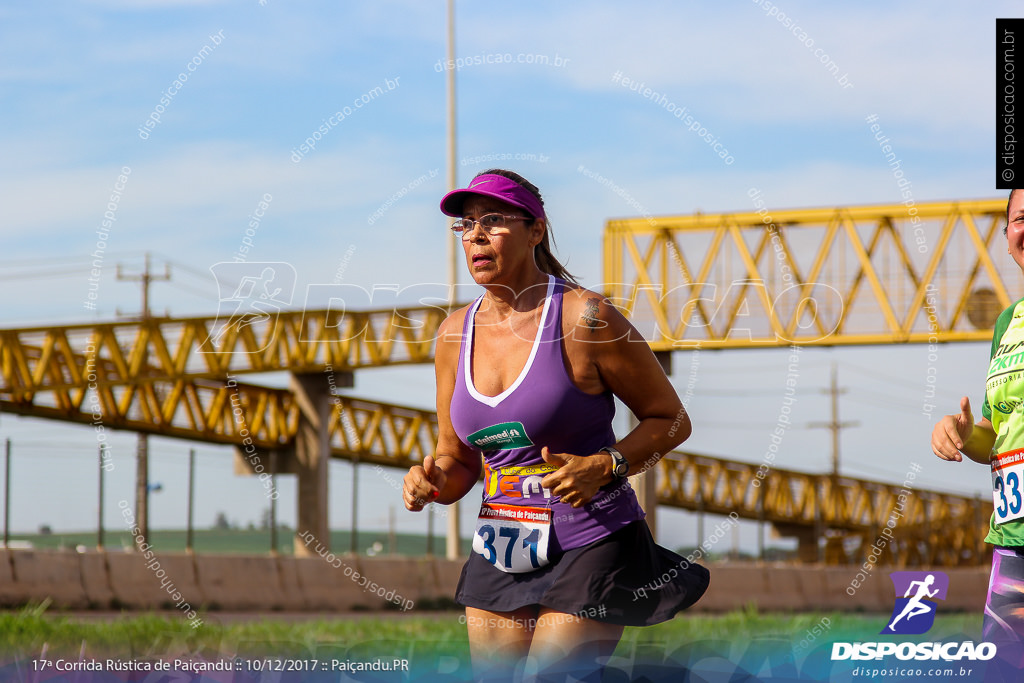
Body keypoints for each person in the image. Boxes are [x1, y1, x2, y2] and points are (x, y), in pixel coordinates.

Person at [402, 169, 710, 681]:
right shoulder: (453, 334)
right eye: (466, 225)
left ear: (536, 230)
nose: (476, 234)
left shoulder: (585, 317)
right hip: (504, 538)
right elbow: (457, 460)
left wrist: (605, 465)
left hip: (590, 535)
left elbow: (671, 420)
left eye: (494, 220)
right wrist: (432, 482)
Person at [932, 188, 1024, 668]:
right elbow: (996, 434)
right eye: (1020, 218)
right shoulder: (1007, 323)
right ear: (1008, 237)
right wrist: (964, 433)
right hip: (1012, 543)